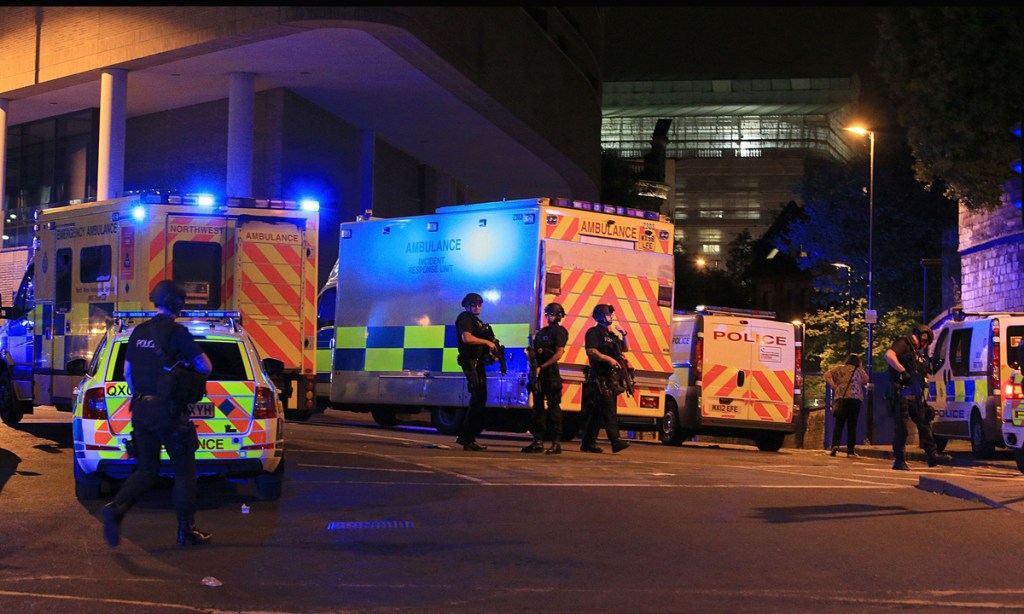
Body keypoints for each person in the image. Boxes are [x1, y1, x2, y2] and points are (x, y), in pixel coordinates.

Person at [102, 279, 214, 547]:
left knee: (148, 468)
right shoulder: (177, 333)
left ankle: (117, 507)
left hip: (140, 408)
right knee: (185, 471)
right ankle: (186, 530)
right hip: (168, 410)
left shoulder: (138, 331)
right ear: (178, 303)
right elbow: (205, 366)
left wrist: (145, 392)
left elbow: (128, 374)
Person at [884, 323, 951, 471]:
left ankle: (932, 456)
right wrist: (903, 372)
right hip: (900, 392)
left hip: (914, 393)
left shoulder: (916, 353)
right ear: (924, 338)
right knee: (902, 428)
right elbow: (889, 355)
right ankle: (899, 460)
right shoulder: (904, 343)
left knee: (924, 423)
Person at [579, 304, 631, 454]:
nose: (611, 317)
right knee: (609, 409)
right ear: (601, 316)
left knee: (597, 412)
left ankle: (587, 443)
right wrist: (608, 359)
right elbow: (591, 351)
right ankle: (615, 441)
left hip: (610, 378)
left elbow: (625, 349)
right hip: (598, 377)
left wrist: (624, 335)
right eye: (609, 315)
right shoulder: (593, 332)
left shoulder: (611, 335)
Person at [521, 302, 569, 455]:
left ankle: (556, 443)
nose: (550, 317)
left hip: (550, 373)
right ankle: (538, 441)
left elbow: (559, 353)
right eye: (548, 314)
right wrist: (531, 358)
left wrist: (544, 366)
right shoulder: (542, 332)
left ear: (559, 316)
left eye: (552, 314)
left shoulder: (560, 331)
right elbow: (534, 351)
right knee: (538, 408)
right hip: (538, 372)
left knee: (554, 408)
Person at [454, 292, 497, 451]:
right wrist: (486, 342)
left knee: (480, 399)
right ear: (467, 305)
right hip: (471, 363)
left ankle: (468, 437)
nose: (477, 307)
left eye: (479, 304)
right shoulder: (465, 318)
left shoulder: (476, 321)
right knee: (478, 398)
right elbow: (467, 338)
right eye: (474, 304)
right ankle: (467, 437)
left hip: (478, 363)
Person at [824, 353, 869, 458]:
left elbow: (827, 375)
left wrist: (834, 385)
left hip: (842, 399)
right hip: (855, 399)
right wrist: (861, 367)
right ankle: (850, 451)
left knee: (839, 424)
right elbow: (866, 379)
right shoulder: (858, 370)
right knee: (852, 425)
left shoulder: (840, 369)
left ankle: (835, 445)